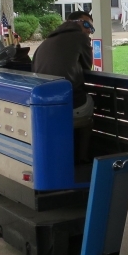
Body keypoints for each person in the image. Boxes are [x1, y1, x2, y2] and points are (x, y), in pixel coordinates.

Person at [31, 10, 95, 161]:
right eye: (86, 25)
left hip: (44, 106)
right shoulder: (80, 38)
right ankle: (83, 157)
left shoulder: (46, 42)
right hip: (68, 104)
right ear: (74, 22)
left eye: (91, 29)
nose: (88, 31)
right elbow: (87, 67)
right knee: (89, 103)